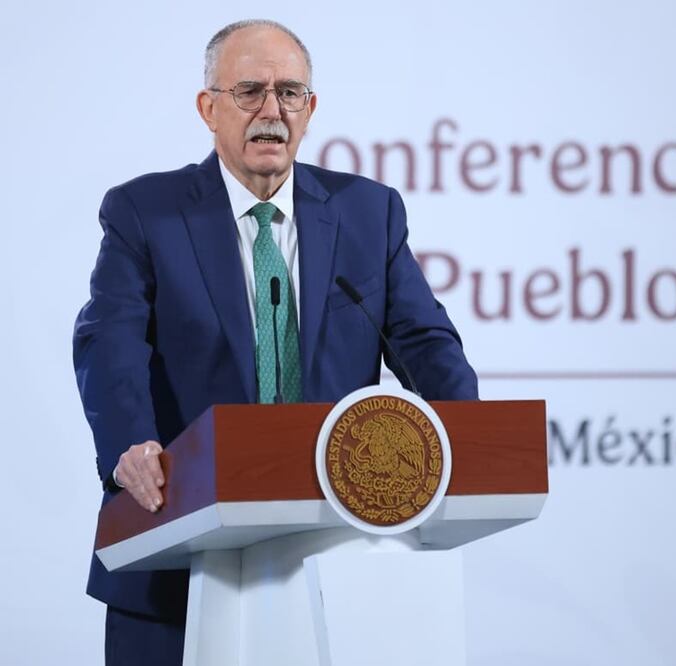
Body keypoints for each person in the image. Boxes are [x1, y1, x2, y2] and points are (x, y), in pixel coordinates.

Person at [72, 19, 478, 665]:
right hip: (177, 543)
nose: (271, 112)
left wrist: (466, 436)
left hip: (338, 555)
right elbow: (109, 339)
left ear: (310, 108)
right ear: (208, 107)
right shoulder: (146, 210)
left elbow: (423, 340)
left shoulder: (367, 211)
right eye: (249, 92)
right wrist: (130, 444)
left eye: (290, 93)